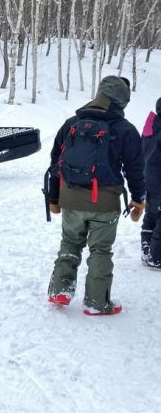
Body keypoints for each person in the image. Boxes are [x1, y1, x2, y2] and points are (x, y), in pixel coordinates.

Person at [44, 75, 145, 315]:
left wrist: (54, 197)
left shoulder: (72, 123)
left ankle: (60, 290)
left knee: (70, 241)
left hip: (70, 197)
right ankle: (97, 302)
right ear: (122, 101)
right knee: (100, 250)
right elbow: (135, 169)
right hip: (105, 201)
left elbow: (55, 161)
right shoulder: (126, 130)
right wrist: (138, 199)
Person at [140, 98, 161, 268]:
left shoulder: (150, 126)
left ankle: (146, 248)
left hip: (148, 178)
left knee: (151, 213)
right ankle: (156, 256)